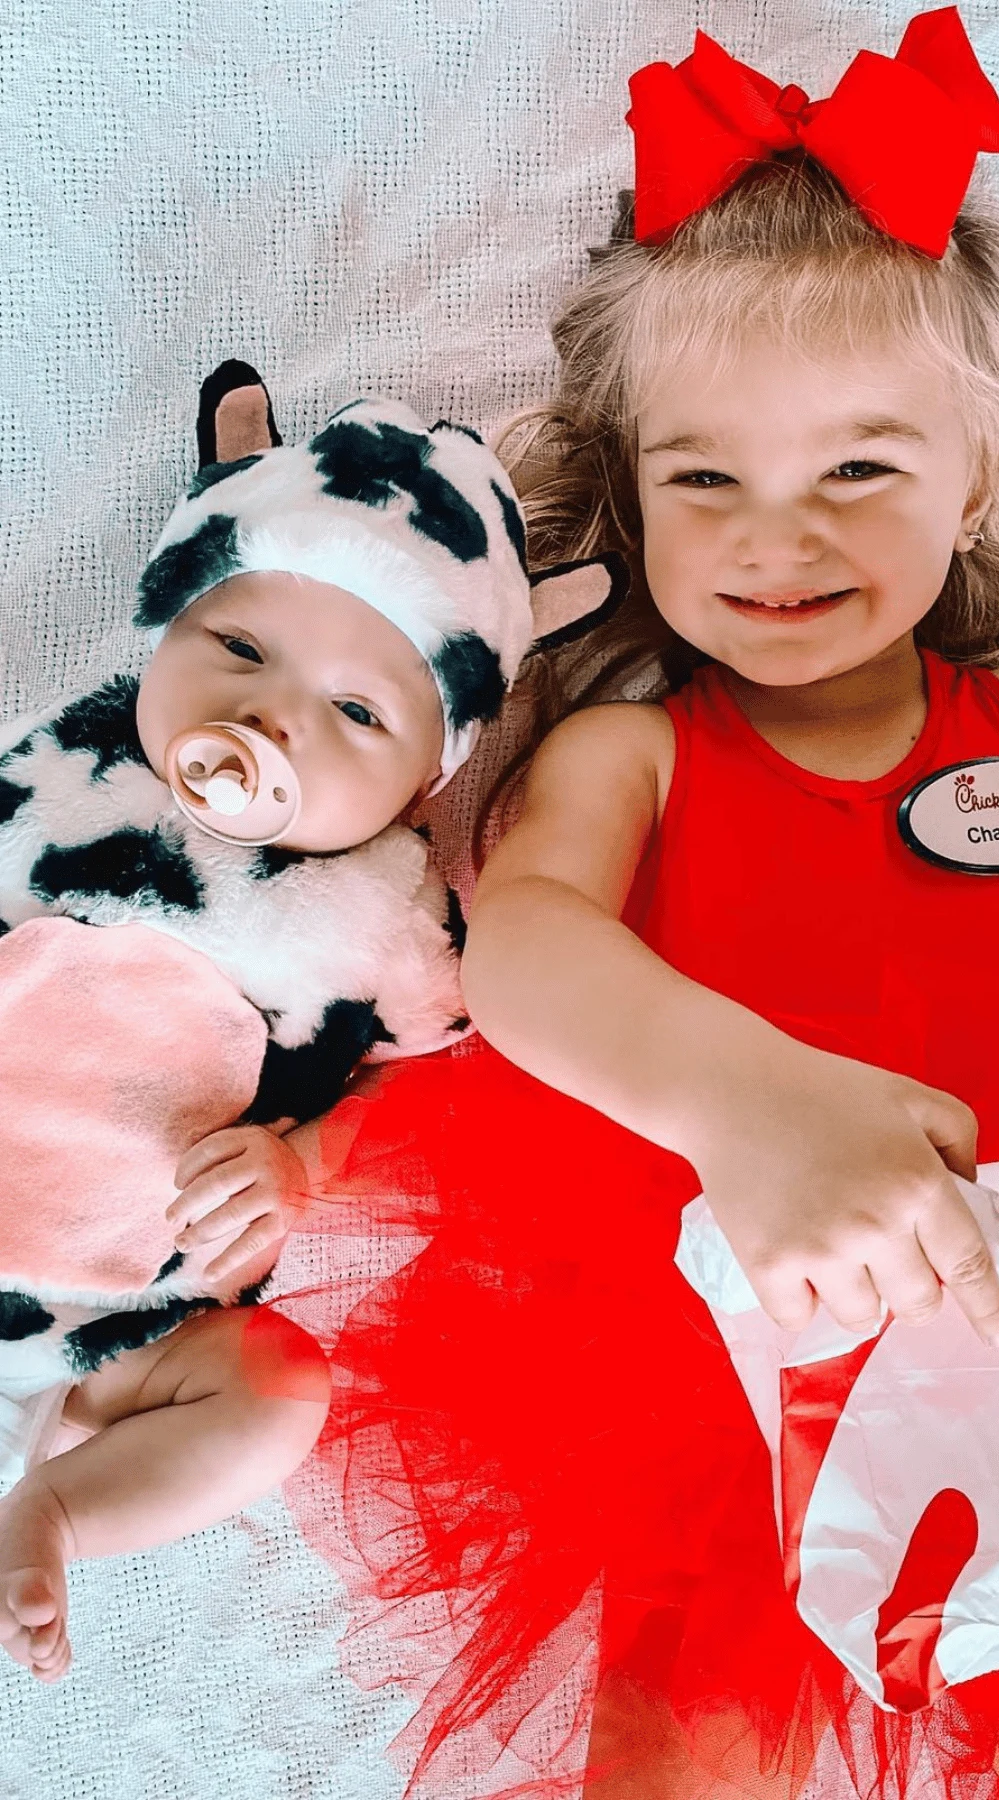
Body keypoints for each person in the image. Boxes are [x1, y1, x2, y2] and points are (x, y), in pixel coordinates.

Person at [288, 11, 999, 1796]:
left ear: (977, 474)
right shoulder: (640, 742)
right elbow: (532, 944)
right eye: (708, 478)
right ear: (630, 496)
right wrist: (744, 1102)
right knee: (692, 1730)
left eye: (860, 469)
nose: (780, 536)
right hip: (723, 1310)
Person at [0, 368, 619, 1687]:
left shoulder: (383, 914)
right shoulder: (57, 772)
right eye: (238, 650)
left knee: (279, 1385)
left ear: (423, 779)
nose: (271, 717)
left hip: (116, 1353)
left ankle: (58, 1507)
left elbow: (433, 1101)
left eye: (355, 714)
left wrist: (301, 1165)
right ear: (164, 626)